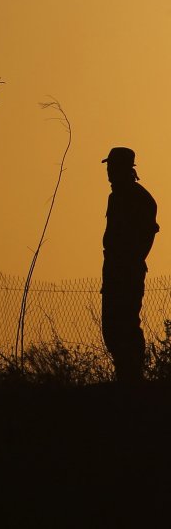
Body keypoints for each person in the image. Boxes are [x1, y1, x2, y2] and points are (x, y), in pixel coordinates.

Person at [101, 147, 159, 385]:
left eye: (113, 167)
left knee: (126, 323)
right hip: (114, 269)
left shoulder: (139, 198)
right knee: (112, 325)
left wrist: (133, 261)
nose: (109, 172)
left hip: (128, 270)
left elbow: (148, 234)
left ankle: (133, 378)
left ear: (126, 169)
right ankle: (125, 377)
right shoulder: (116, 197)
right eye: (108, 167)